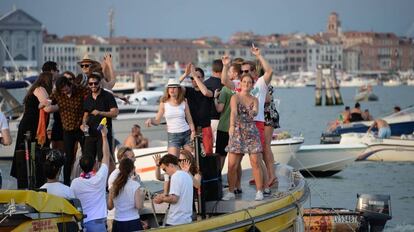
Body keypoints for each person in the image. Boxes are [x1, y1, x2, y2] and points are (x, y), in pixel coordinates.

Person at [221, 44, 273, 191]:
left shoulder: (261, 83)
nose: (244, 73)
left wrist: (259, 56)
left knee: (257, 158)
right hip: (240, 126)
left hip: (257, 123)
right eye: (242, 71)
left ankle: (264, 187)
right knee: (236, 160)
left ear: (254, 71)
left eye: (247, 70)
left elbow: (269, 71)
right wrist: (225, 66)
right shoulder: (240, 84)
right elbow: (225, 81)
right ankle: (236, 187)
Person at [222, 74, 264, 201]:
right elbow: (234, 112)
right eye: (244, 81)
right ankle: (231, 191)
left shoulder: (254, 99)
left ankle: (259, 191)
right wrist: (231, 126)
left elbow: (256, 110)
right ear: (240, 83)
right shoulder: (235, 97)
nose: (246, 84)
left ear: (252, 85)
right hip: (237, 130)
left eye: (249, 82)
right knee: (232, 165)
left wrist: (254, 111)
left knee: (256, 162)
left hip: (251, 131)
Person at [44, 76, 89, 186]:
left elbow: (94, 92)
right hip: (67, 130)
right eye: (62, 90)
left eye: (66, 89)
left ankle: (87, 178)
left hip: (79, 128)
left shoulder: (79, 89)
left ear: (70, 85)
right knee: (68, 158)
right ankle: (67, 182)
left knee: (86, 155)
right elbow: (47, 102)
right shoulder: (57, 93)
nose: (65, 92)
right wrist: (44, 105)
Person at [11, 72, 53, 189]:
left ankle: (27, 180)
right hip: (30, 126)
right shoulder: (41, 89)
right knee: (29, 153)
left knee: (27, 153)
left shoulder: (34, 89)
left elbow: (41, 105)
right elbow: (47, 106)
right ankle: (30, 180)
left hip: (28, 124)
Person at [70, 126, 110, 231]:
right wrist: (104, 136)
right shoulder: (99, 178)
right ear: (95, 165)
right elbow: (106, 156)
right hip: (98, 224)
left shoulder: (75, 182)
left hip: (82, 224)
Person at [145, 79, 195, 156]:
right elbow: (157, 121)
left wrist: (193, 131)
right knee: (173, 161)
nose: (172, 89)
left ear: (179, 89)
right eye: (170, 87)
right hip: (173, 136)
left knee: (191, 160)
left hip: (186, 134)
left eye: (174, 87)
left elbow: (189, 119)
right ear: (167, 89)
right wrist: (151, 120)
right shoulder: (164, 103)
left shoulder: (184, 101)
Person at [216, 60, 242, 193]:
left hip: (224, 127)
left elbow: (219, 109)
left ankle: (218, 182)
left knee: (221, 157)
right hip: (238, 129)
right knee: (236, 161)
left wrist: (215, 99)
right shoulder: (243, 89)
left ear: (235, 73)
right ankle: (238, 186)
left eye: (230, 71)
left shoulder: (226, 89)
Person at [81, 72, 119, 163]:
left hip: (104, 134)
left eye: (95, 83)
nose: (93, 85)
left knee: (104, 160)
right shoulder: (87, 98)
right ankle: (90, 177)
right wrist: (83, 124)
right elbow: (85, 115)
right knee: (88, 161)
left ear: (100, 84)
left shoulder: (107, 96)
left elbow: (115, 113)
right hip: (90, 134)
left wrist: (100, 113)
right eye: (90, 84)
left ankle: (105, 177)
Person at [179, 64, 214, 155]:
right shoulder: (188, 91)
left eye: (198, 77)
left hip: (205, 128)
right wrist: (185, 74)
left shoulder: (209, 89)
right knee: (190, 155)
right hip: (191, 129)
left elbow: (206, 93)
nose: (195, 80)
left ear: (203, 78)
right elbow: (172, 87)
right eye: (193, 78)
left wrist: (194, 75)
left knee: (207, 154)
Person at [153, 154, 193, 226]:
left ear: (171, 165)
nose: (165, 172)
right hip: (186, 221)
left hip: (176, 221)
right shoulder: (187, 175)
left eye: (165, 169)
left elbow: (174, 199)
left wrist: (162, 199)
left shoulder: (175, 176)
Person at [108, 158, 144, 232]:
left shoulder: (114, 185)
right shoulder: (135, 185)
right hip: (133, 221)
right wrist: (142, 195)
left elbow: (110, 207)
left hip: (118, 222)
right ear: (132, 169)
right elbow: (139, 206)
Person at [204, 59, 223, 141]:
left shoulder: (205, 84)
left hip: (207, 121)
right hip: (222, 120)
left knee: (209, 149)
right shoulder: (225, 84)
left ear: (212, 70)